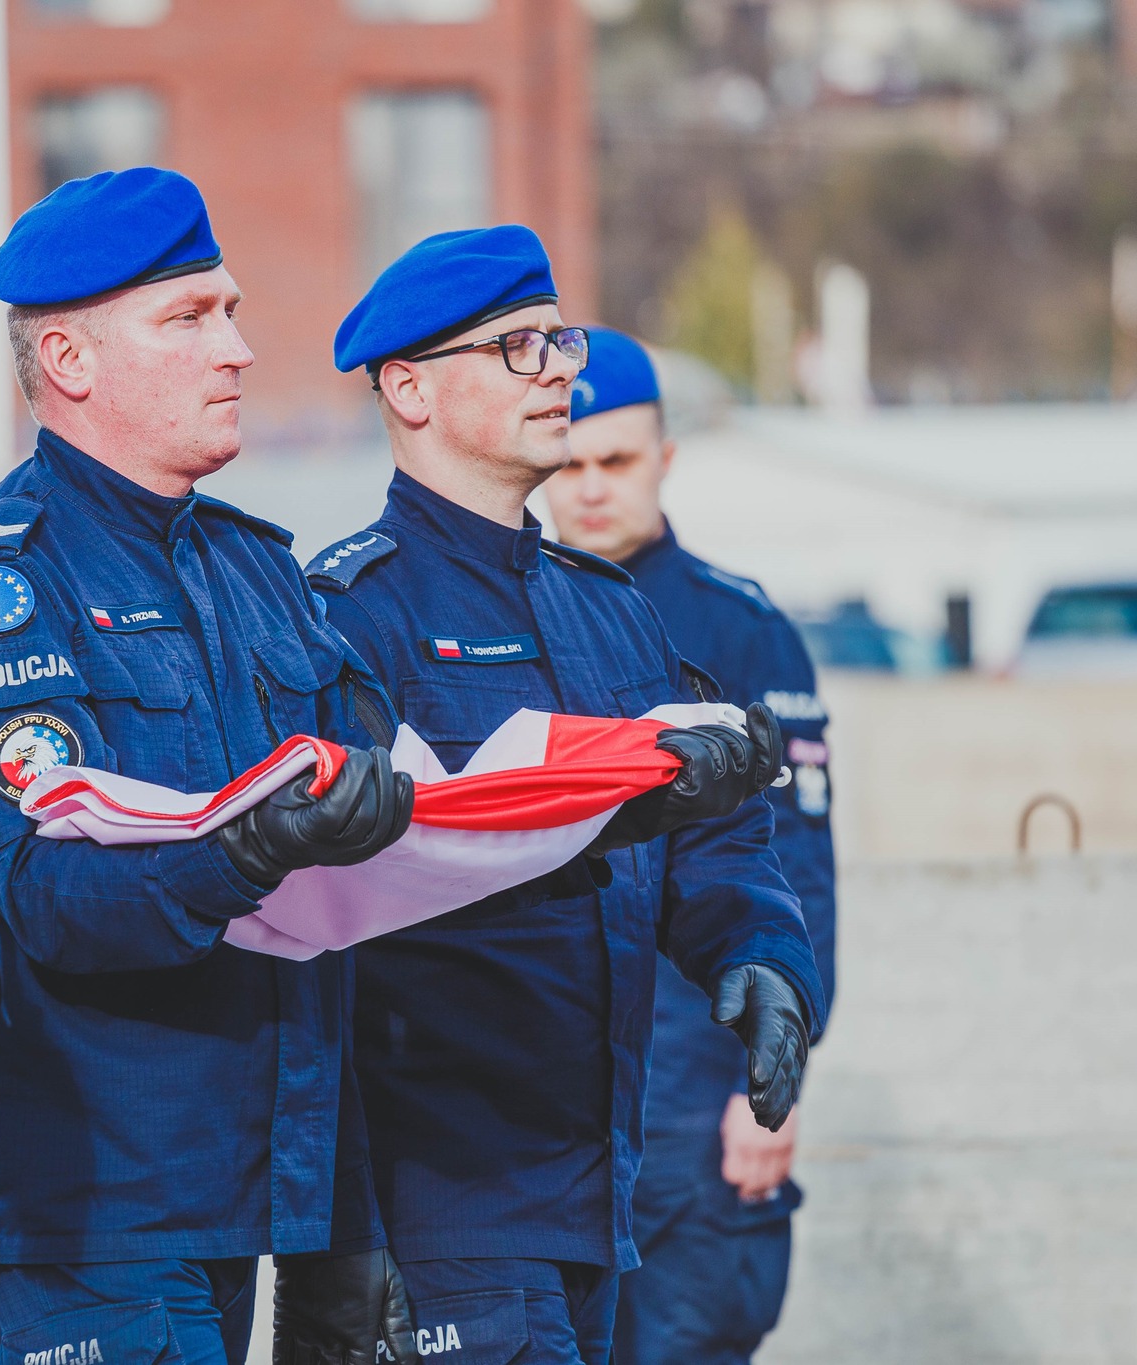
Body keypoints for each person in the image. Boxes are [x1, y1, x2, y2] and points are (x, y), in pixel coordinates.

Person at [0, 168, 424, 1365]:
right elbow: (48, 897)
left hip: (259, 1177)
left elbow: (390, 828)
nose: (236, 349)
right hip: (88, 1194)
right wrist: (247, 846)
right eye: (187, 319)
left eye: (228, 311)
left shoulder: (256, 570)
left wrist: (602, 798)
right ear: (67, 362)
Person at [305, 227, 825, 1365]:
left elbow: (711, 831)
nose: (558, 371)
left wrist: (758, 952)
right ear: (410, 390)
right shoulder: (349, 618)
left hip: (597, 1198)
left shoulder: (604, 606)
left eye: (558, 340)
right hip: (436, 1204)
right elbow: (309, 912)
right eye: (517, 348)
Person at [546, 327, 837, 1365]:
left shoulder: (740, 631)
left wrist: (771, 1090)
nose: (587, 489)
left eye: (613, 462)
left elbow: (797, 880)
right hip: (541, 1105)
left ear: (663, 458)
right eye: (566, 464)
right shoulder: (505, 623)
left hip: (691, 1094)